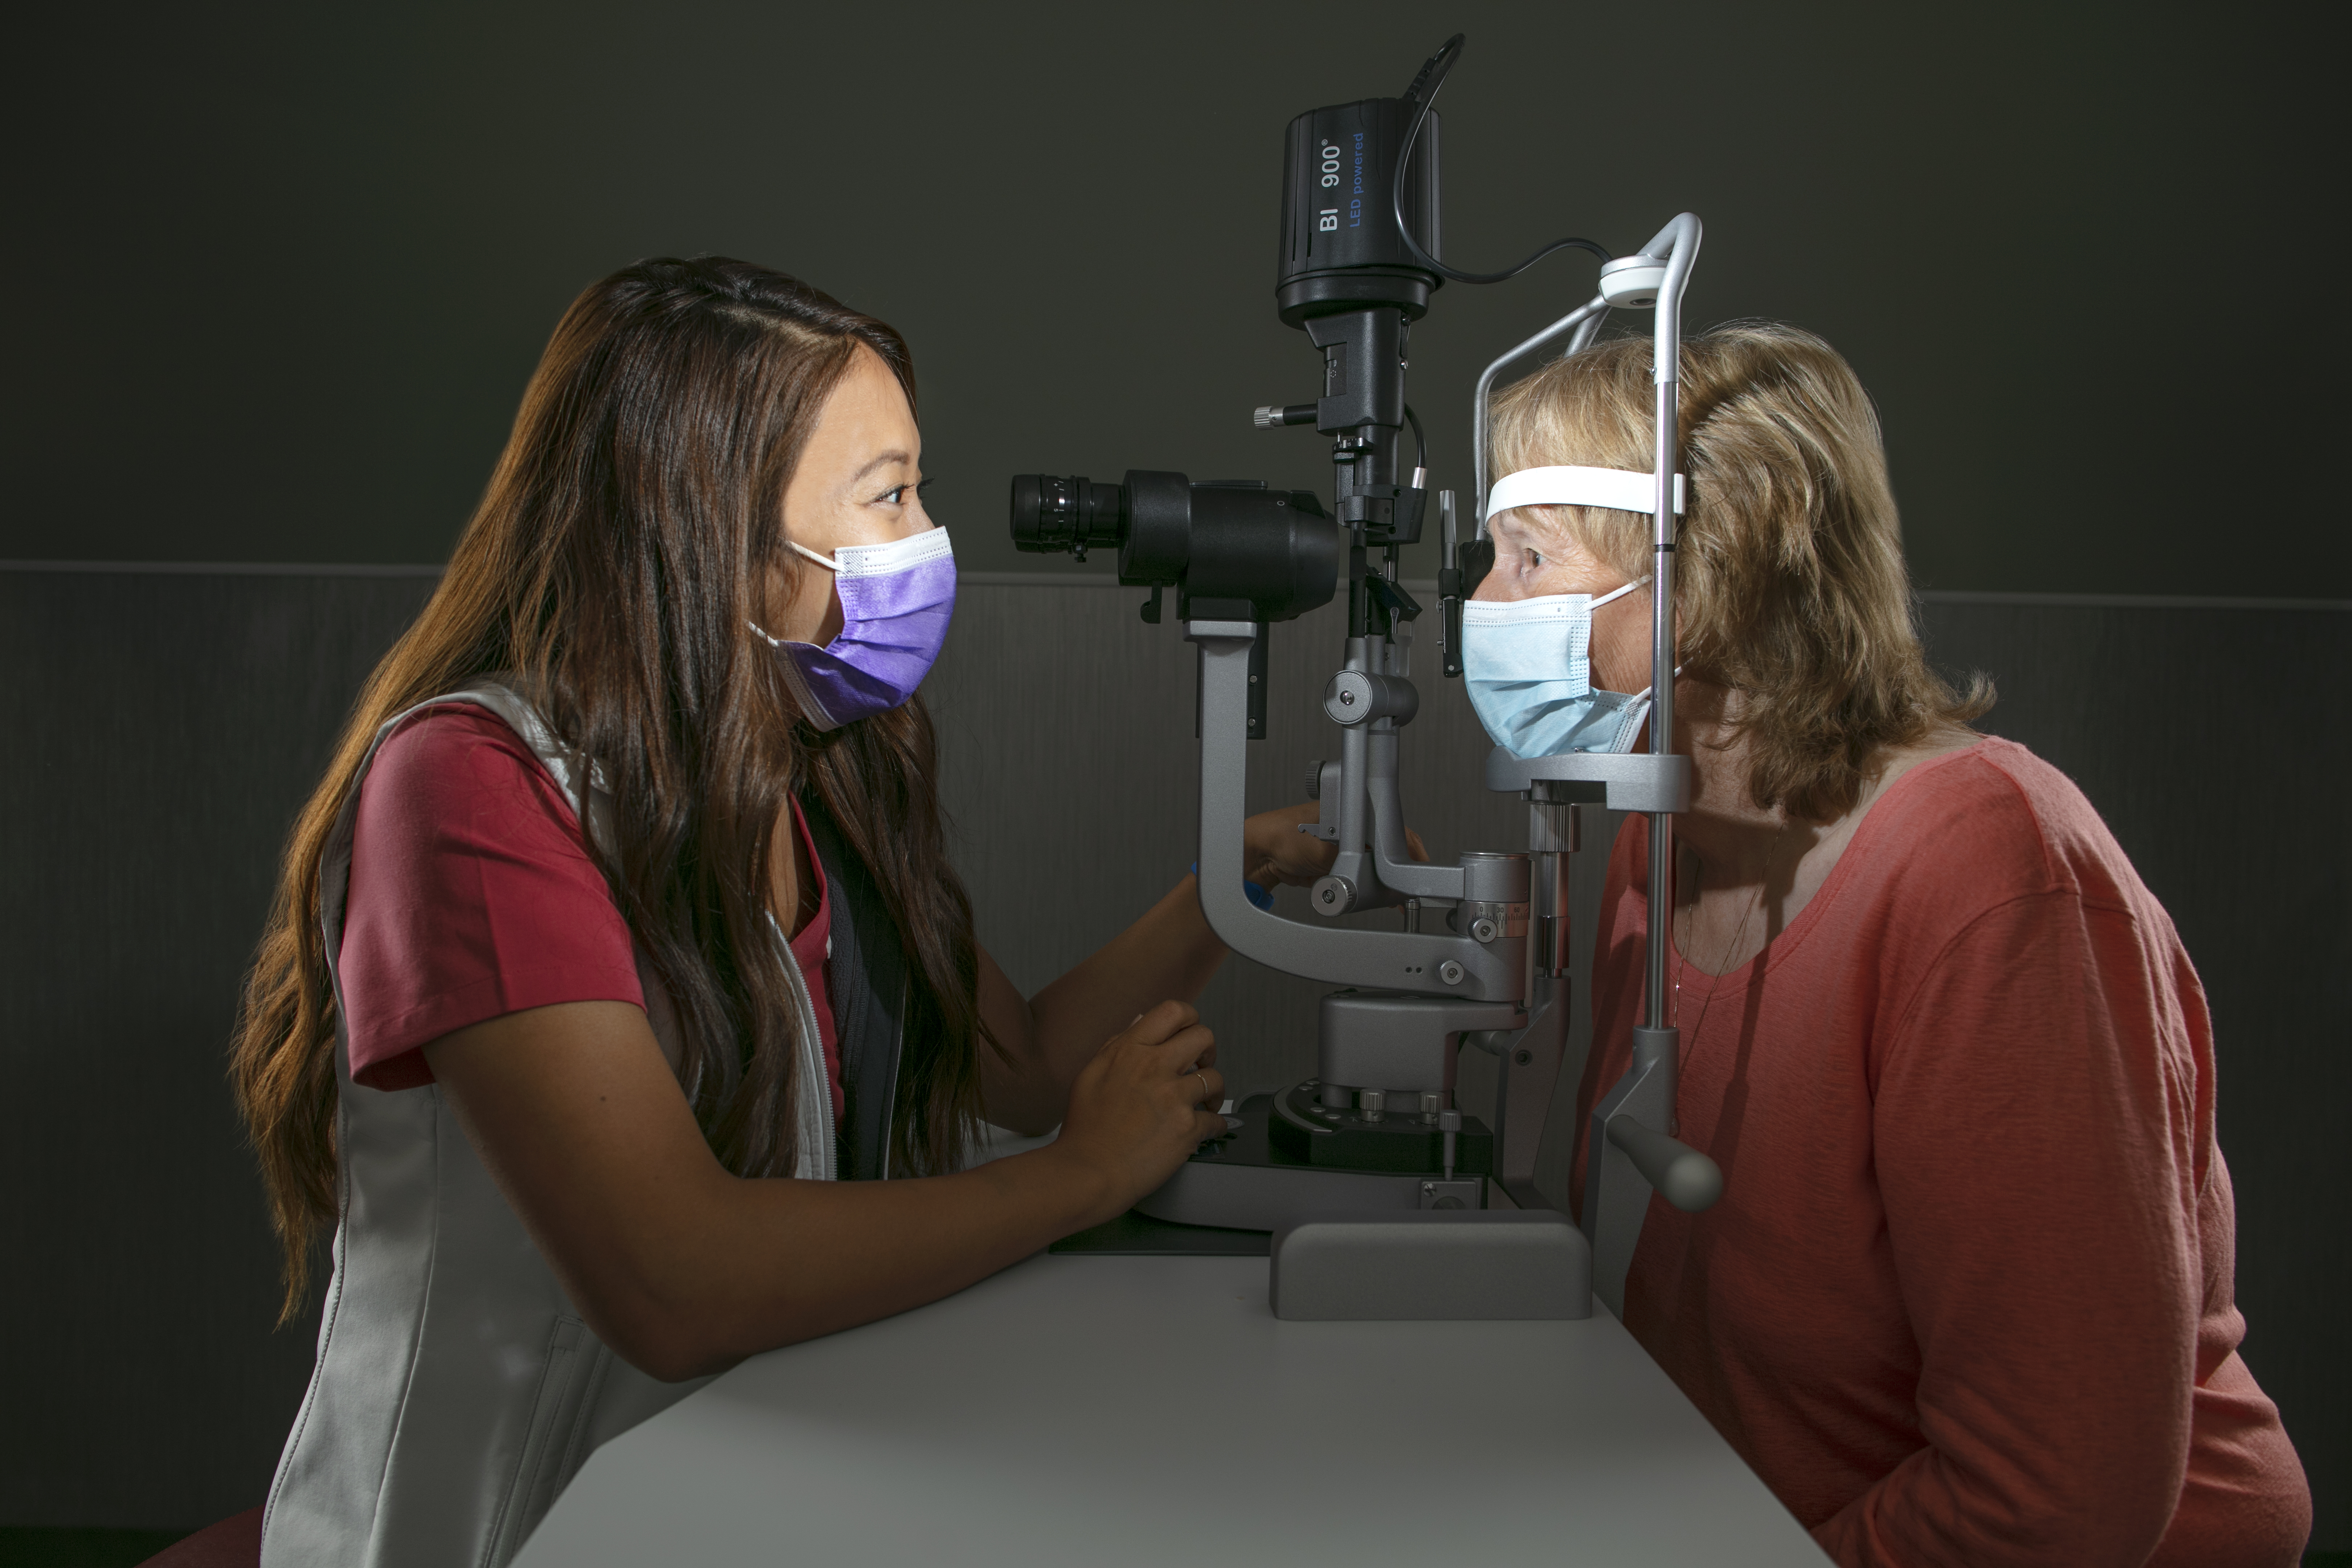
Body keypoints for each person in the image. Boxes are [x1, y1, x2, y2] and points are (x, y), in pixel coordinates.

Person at [229, 258, 1342, 1568]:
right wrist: (1082, 1178)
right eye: (890, 497)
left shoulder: (806, 770)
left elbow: (1027, 1066)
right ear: (718, 537)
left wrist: (1237, 879)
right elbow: (674, 1280)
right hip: (514, 1533)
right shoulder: (476, 789)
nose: (928, 538)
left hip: (736, 1494)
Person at [1472, 323, 2310, 1565]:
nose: (1484, 608)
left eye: (1528, 559)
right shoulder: (1664, 834)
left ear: (1713, 578)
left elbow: (2055, 1504)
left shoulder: (1995, 883)